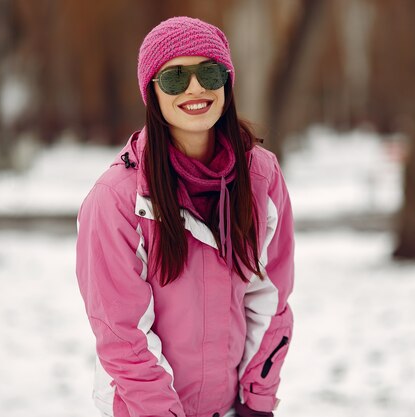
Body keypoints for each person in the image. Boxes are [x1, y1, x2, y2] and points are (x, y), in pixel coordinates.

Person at [76, 16, 294, 417]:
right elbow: (122, 336)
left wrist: (257, 404)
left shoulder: (261, 177)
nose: (196, 89)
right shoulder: (116, 200)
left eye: (209, 73)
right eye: (175, 78)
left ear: (226, 83)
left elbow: (270, 300)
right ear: (152, 93)